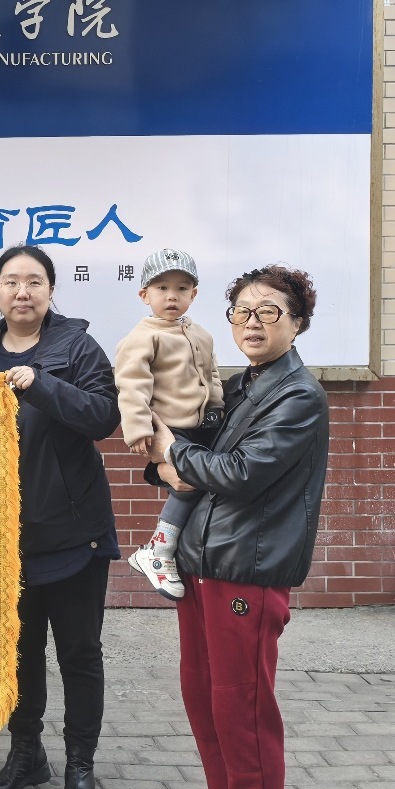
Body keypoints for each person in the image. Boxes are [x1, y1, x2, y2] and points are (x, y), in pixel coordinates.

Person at [150, 266, 329, 789]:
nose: (253, 322)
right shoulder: (242, 384)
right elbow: (200, 455)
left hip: (246, 570)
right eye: (242, 312)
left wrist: (173, 453)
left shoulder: (298, 395)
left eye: (269, 311)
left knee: (244, 709)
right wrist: (169, 459)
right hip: (202, 562)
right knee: (206, 701)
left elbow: (243, 474)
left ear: (297, 323)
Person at [0, 245, 121, 789]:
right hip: (6, 536)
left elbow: (103, 417)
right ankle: (26, 754)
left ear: (51, 290)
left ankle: (80, 765)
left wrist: (40, 384)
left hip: (74, 531)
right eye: (11, 281)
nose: (22, 292)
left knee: (79, 653)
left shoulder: (76, 347)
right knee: (19, 653)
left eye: (34, 281)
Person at [115, 248, 223, 600]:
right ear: (144, 295)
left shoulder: (201, 334)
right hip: (170, 429)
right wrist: (138, 429)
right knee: (186, 484)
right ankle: (158, 551)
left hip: (200, 427)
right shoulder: (142, 337)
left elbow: (212, 375)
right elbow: (132, 385)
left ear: (194, 294)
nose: (171, 296)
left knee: (199, 485)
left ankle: (170, 551)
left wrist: (217, 408)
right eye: (161, 288)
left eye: (181, 288)